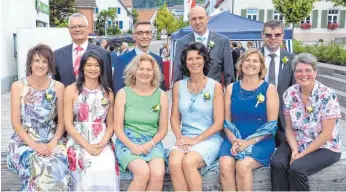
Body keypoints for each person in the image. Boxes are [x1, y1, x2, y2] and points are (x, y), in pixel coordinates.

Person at [270, 53, 342, 191]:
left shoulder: (327, 95)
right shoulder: (289, 94)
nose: (303, 74)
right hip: (298, 141)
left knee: (297, 168)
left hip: (325, 146)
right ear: (294, 73)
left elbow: (326, 134)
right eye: (299, 71)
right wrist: (295, 150)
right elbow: (289, 129)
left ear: (315, 72)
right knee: (277, 162)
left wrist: (300, 155)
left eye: (308, 70)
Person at [7, 44, 70, 191]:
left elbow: (62, 122)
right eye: (36, 61)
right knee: (39, 163)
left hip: (51, 138)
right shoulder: (18, 86)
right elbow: (16, 123)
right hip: (24, 140)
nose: (40, 65)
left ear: (50, 65)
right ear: (30, 63)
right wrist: (34, 145)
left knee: (57, 164)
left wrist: (54, 142)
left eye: (44, 62)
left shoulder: (58, 87)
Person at [218, 49, 279, 191]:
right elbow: (226, 122)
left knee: (243, 165)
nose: (250, 64)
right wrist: (234, 141)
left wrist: (248, 143)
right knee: (225, 165)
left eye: (255, 61)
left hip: (261, 141)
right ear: (241, 64)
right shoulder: (231, 88)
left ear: (261, 67)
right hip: (234, 139)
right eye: (247, 60)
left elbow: (271, 125)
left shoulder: (269, 89)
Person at [169, 42, 224, 191]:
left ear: (205, 60)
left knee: (188, 162)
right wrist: (180, 138)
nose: (194, 62)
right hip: (185, 137)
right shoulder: (178, 86)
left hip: (209, 139)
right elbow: (174, 118)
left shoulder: (215, 86)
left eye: (198, 58)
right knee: (174, 163)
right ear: (185, 62)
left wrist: (194, 141)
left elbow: (218, 124)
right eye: (190, 59)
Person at [64, 50, 119, 191]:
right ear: (82, 67)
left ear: (101, 68)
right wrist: (87, 146)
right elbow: (68, 124)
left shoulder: (108, 92)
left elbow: (111, 125)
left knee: (106, 166)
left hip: (101, 138)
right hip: (78, 138)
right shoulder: (71, 90)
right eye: (89, 65)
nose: (93, 69)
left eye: (97, 65)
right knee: (83, 165)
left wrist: (102, 143)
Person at [113, 53, 169, 191]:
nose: (145, 73)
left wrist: (150, 144)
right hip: (128, 142)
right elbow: (118, 128)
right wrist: (131, 146)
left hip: (152, 143)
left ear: (154, 73)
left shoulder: (161, 95)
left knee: (158, 173)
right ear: (134, 71)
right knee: (143, 172)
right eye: (141, 69)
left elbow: (163, 130)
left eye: (148, 70)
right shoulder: (123, 93)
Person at [172, 6, 234, 86]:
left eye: (200, 18)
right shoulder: (181, 43)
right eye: (193, 19)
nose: (197, 22)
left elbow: (229, 74)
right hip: (190, 93)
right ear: (190, 21)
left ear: (207, 18)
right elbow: (178, 74)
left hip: (215, 94)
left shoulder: (222, 41)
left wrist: (228, 95)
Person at [53, 13, 113, 91]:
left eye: (80, 26)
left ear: (88, 28)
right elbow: (55, 85)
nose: (77, 29)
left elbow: (107, 84)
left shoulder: (103, 54)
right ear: (69, 30)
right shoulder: (57, 55)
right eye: (73, 27)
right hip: (66, 101)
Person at [260, 20, 295, 147]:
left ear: (283, 36)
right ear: (262, 36)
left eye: (277, 35)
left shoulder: (291, 59)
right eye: (268, 35)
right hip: (258, 115)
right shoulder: (253, 57)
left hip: (283, 120)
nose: (272, 38)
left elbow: (294, 90)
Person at [112, 20, 166, 93]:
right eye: (140, 33)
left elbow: (161, 87)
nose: (144, 36)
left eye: (147, 32)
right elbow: (118, 89)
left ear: (151, 35)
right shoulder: (122, 59)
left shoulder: (157, 59)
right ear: (134, 36)